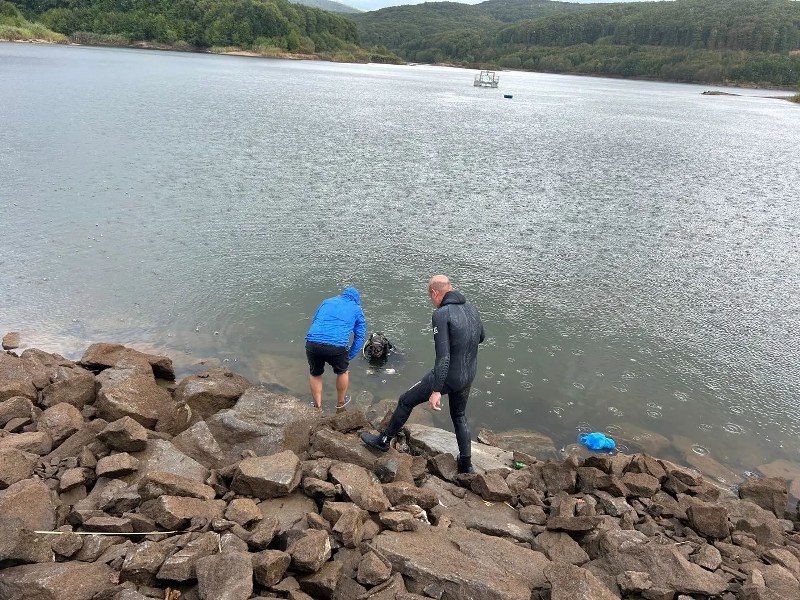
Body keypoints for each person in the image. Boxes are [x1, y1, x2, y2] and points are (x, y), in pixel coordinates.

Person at [360, 275, 485, 473]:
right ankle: (466, 465)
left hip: (448, 374)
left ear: (435, 293)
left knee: (405, 400)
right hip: (469, 373)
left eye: (430, 298)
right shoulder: (472, 309)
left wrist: (436, 390)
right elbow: (481, 337)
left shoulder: (442, 314)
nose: (432, 303)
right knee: (459, 415)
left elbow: (443, 358)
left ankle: (383, 440)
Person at [305, 287, 366, 412]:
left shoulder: (327, 301)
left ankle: (318, 407)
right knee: (342, 372)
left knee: (315, 374)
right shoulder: (356, 309)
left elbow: (315, 320)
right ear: (356, 300)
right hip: (336, 347)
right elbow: (360, 336)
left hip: (312, 343)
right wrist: (349, 356)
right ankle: (340, 404)